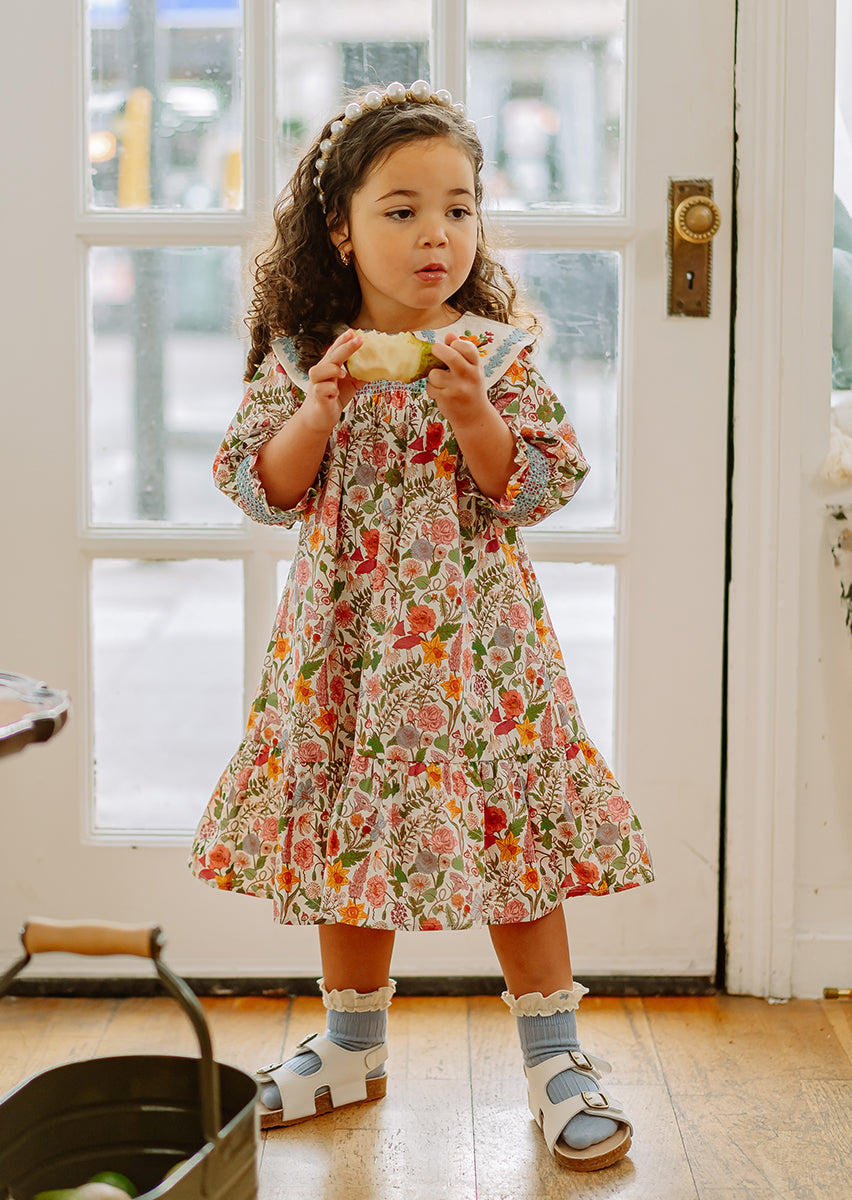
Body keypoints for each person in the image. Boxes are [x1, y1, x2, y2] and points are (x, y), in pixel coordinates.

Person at [189, 80, 653, 1173]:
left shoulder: (494, 354)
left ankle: (554, 1053)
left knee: (511, 831)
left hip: (478, 653)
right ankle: (352, 1044)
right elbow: (261, 487)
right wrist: (317, 413)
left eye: (457, 208)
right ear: (341, 232)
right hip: (346, 651)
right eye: (401, 211)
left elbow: (536, 487)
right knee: (351, 834)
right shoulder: (307, 357)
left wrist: (474, 414)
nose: (434, 233)